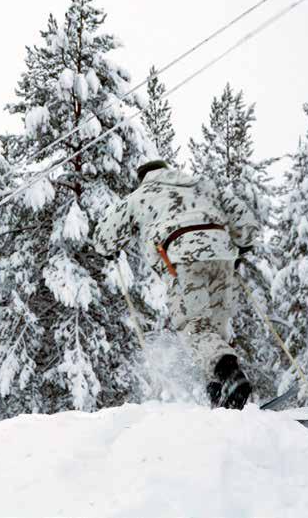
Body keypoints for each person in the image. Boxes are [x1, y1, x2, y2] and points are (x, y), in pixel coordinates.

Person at [93, 156, 260, 409]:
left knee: (196, 326)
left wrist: (109, 250)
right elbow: (244, 219)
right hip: (223, 255)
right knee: (216, 328)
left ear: (142, 178)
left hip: (184, 257)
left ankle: (230, 376)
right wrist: (242, 244)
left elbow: (104, 237)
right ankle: (222, 401)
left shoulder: (140, 195)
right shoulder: (203, 184)